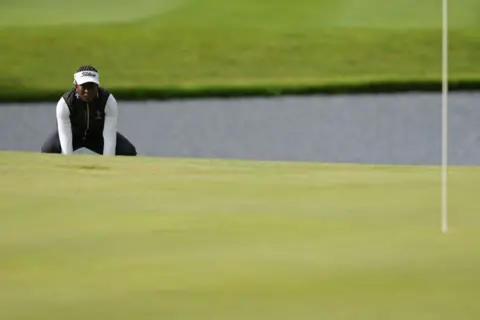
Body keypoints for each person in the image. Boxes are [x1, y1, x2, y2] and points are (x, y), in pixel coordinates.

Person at [41, 65, 137, 156]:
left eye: (91, 86)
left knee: (128, 151)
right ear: (76, 86)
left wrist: (108, 164)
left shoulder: (108, 101)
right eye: (83, 86)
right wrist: (68, 162)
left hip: (98, 135)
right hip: (73, 134)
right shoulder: (65, 103)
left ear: (97, 86)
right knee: (48, 148)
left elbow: (109, 135)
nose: (87, 90)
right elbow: (65, 137)